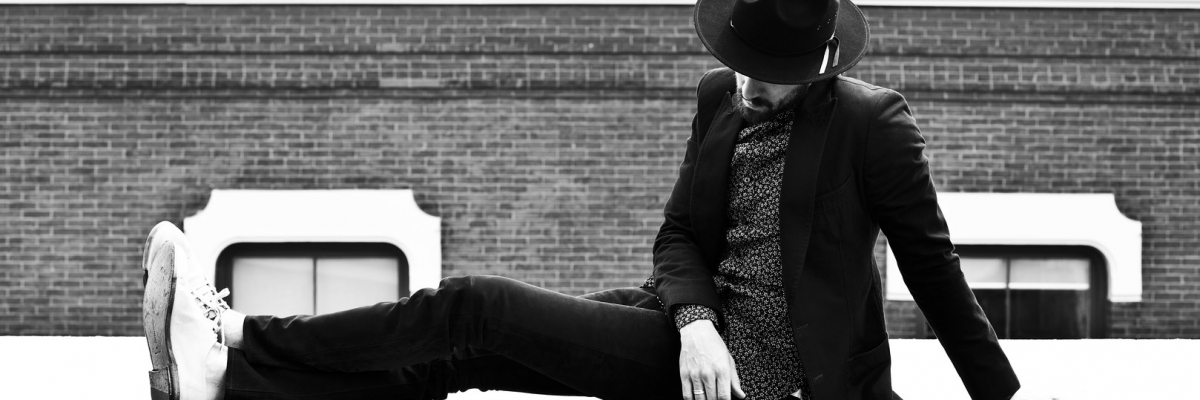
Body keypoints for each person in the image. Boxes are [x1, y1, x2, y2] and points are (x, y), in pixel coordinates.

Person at [142, 0, 1020, 399]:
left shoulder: (873, 125)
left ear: (821, 66)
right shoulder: (719, 98)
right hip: (693, 334)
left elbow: (933, 270)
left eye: (772, 74)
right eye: (742, 64)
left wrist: (999, 394)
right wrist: (695, 322)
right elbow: (680, 235)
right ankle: (236, 385)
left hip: (765, 383)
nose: (750, 84)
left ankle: (243, 335)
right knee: (459, 353)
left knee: (475, 306)